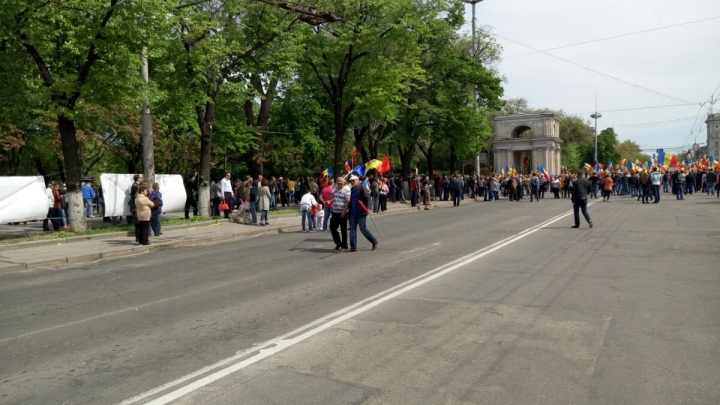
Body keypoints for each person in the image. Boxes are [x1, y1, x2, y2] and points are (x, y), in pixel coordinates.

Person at [348, 175, 378, 252]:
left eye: (353, 181)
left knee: (363, 229)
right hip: (353, 213)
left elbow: (367, 198)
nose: (352, 182)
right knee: (352, 230)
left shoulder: (362, 187)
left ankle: (374, 241)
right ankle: (353, 247)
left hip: (361, 212)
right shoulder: (352, 189)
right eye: (351, 181)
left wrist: (368, 208)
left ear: (358, 180)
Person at [330, 177, 351, 250]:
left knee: (343, 229)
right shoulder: (335, 188)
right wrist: (331, 194)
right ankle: (338, 243)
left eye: (341, 181)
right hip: (335, 212)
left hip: (342, 212)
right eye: (338, 181)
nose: (339, 182)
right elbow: (331, 197)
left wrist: (344, 211)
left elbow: (348, 201)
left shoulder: (346, 189)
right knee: (332, 228)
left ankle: (344, 245)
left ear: (344, 182)